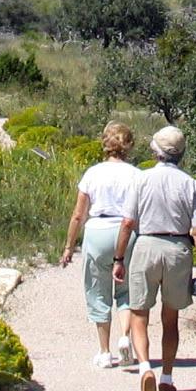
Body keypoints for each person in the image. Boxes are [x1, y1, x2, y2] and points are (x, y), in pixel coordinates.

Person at [113, 125, 196, 391]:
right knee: (170, 319)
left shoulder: (142, 180)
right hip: (178, 250)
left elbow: (128, 222)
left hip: (146, 246)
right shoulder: (191, 184)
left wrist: (119, 258)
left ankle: (145, 368)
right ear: (181, 153)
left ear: (155, 151)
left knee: (139, 313)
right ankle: (167, 379)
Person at [59, 121, 142, 367]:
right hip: (126, 234)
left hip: (97, 232)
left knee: (97, 291)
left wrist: (68, 246)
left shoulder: (93, 174)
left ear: (105, 144)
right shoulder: (137, 175)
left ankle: (104, 351)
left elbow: (78, 215)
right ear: (128, 145)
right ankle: (125, 337)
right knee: (127, 291)